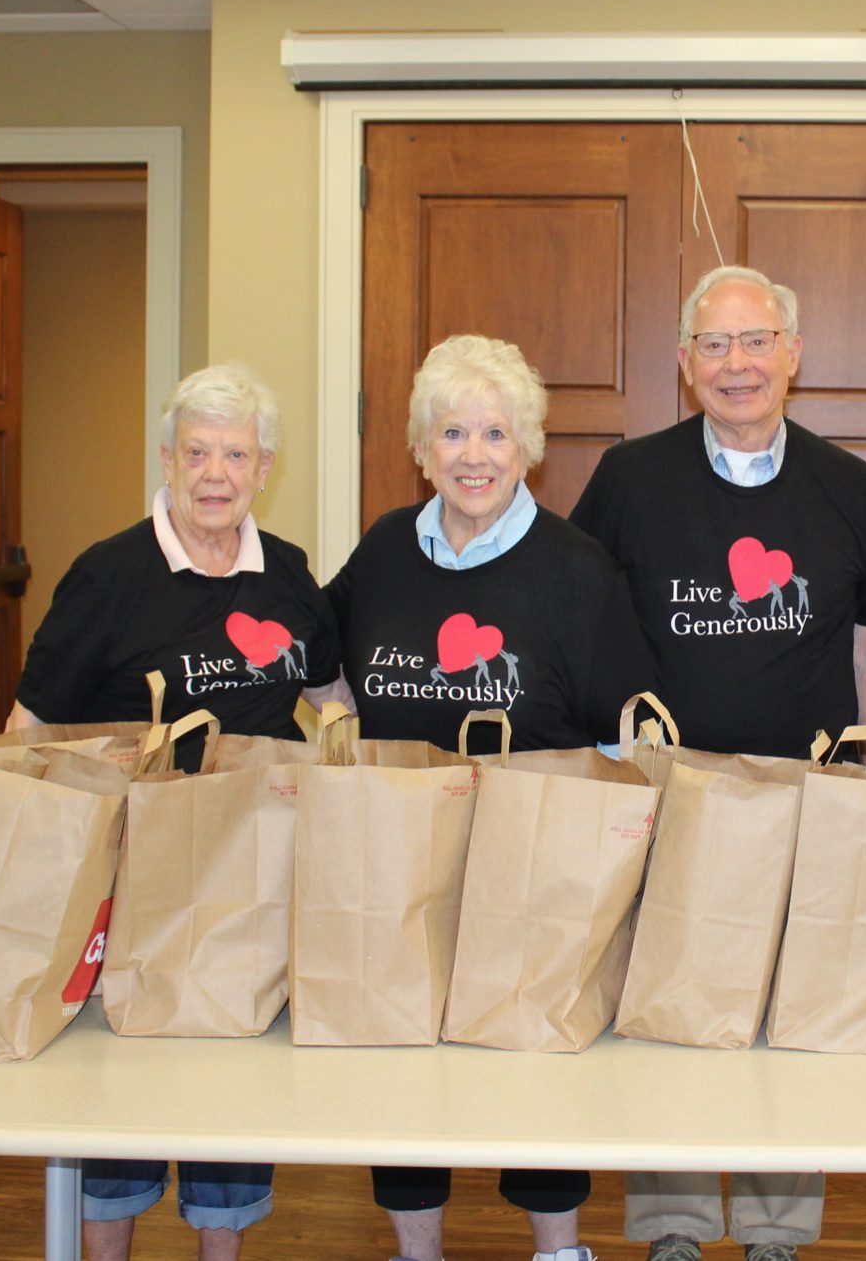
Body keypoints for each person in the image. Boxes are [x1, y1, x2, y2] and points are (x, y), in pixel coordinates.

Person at [570, 265, 866, 1261]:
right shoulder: (629, 478)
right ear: (684, 365)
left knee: (787, 1006)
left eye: (756, 341)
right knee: (671, 1006)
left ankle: (774, 1229)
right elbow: (585, 617)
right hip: (670, 794)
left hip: (804, 793)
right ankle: (673, 1224)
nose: (737, 365)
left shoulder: (846, 486)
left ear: (792, 355)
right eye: (714, 346)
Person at [324, 333, 653, 1261]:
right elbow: (324, 654)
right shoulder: (387, 547)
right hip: (398, 855)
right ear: (421, 448)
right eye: (454, 432)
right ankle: (417, 1249)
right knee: (400, 1053)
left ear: (529, 448)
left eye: (496, 434)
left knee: (534, 1061)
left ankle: (557, 1246)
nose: (474, 455)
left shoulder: (576, 567)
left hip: (531, 858)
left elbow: (615, 731)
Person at [9, 361, 341, 1261]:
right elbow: (31, 725)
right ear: (166, 457)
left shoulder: (288, 576)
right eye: (197, 451)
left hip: (253, 868)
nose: (215, 473)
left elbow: (332, 696)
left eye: (236, 453)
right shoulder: (109, 575)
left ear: (265, 466)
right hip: (133, 868)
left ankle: (219, 1252)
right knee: (117, 1077)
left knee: (232, 1073)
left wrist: (346, 774)